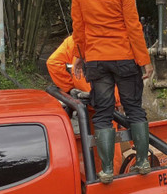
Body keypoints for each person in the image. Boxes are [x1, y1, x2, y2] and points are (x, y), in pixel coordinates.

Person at [71, 0, 154, 184]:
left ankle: (106, 170)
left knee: (103, 114)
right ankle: (141, 162)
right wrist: (144, 60)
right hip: (124, 59)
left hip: (96, 61)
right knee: (134, 110)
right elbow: (133, 27)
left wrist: (79, 56)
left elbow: (79, 27)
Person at [46, 35, 123, 175]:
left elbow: (53, 63)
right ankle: (112, 181)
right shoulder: (110, 37)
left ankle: (96, 177)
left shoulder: (74, 39)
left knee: (93, 144)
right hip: (108, 103)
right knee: (111, 148)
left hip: (84, 102)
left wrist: (69, 88)